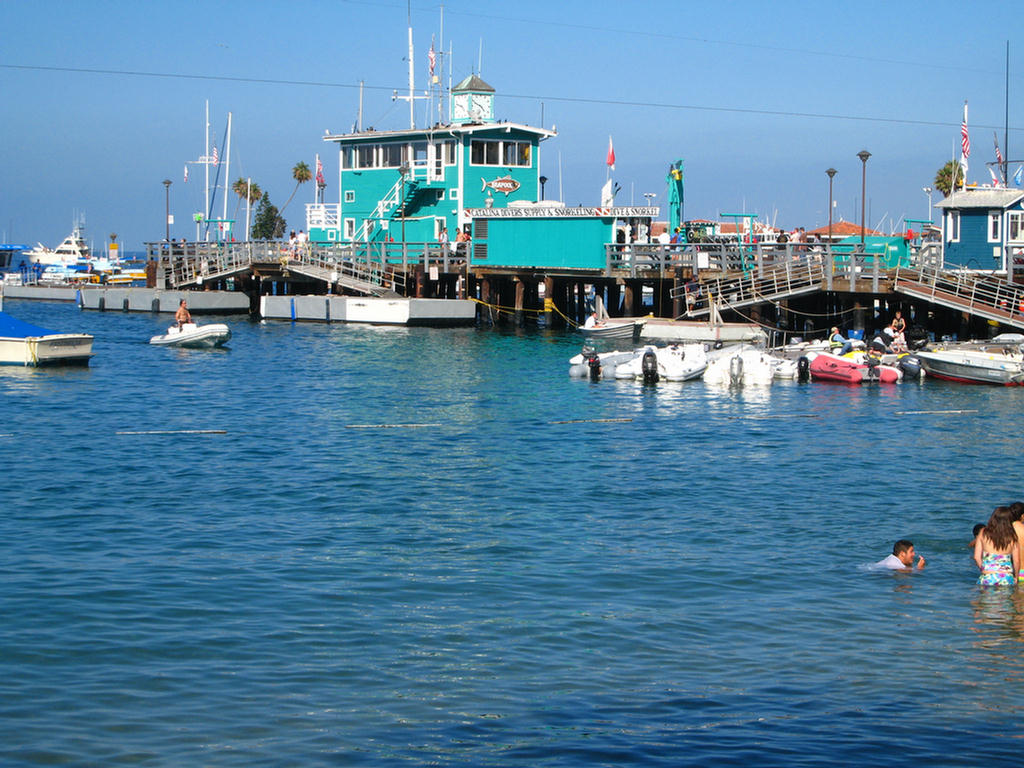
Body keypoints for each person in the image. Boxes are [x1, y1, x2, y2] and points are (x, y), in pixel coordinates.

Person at [974, 506, 1019, 586]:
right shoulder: (1012, 536)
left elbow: (977, 557)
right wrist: (1016, 577)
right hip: (1006, 577)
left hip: (987, 576)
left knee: (984, 598)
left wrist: (984, 569)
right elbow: (1016, 561)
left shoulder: (983, 532)